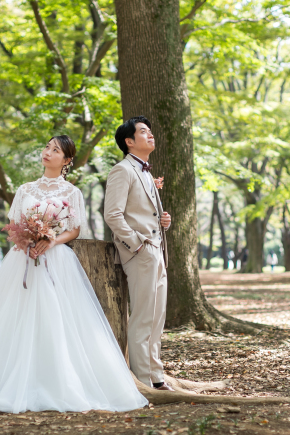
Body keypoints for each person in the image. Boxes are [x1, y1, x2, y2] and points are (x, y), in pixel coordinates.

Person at [0, 136, 147, 413]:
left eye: (56, 150)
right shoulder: (25, 189)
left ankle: (57, 380)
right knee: (12, 315)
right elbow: (13, 224)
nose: (48, 152)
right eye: (47, 147)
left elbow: (74, 230)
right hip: (21, 260)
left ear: (67, 161)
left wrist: (50, 241)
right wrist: (24, 241)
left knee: (57, 317)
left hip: (56, 260)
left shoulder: (72, 192)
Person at [104, 116, 173, 391]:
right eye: (144, 131)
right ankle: (143, 380)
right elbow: (113, 214)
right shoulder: (122, 170)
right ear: (129, 141)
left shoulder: (145, 172)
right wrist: (138, 244)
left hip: (158, 251)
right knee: (143, 316)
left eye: (150, 130)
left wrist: (162, 220)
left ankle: (157, 376)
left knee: (158, 318)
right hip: (141, 253)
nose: (150, 134)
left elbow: (143, 212)